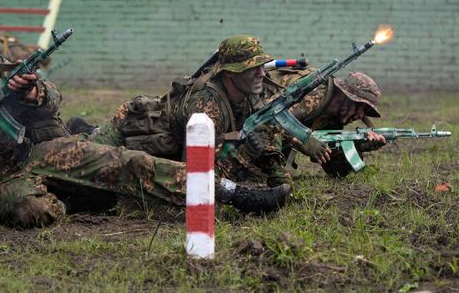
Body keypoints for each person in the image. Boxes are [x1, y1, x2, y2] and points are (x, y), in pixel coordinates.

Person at [0, 26, 191, 229]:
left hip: (34, 154)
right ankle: (76, 190)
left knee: (123, 162)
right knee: (34, 211)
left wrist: (32, 93)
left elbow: (54, 100)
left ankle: (214, 189)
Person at [90, 35, 331, 204]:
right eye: (252, 67)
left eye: (262, 65)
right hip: (129, 129)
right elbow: (196, 176)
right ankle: (81, 132)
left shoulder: (247, 92)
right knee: (88, 168)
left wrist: (302, 142)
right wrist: (245, 172)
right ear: (229, 72)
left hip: (170, 143)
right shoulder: (207, 108)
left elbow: (267, 124)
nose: (262, 73)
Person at [268, 67, 387, 177]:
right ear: (346, 96)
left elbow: (336, 170)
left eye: (365, 111)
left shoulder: (332, 118)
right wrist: (304, 140)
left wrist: (358, 146)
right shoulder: (315, 95)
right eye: (359, 106)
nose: (361, 115)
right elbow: (272, 121)